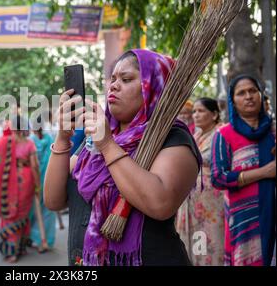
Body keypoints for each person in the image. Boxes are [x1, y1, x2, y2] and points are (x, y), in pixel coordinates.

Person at [44, 49, 201, 266]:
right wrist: (62, 137)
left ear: (154, 87)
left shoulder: (172, 137)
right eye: (113, 79)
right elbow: (53, 200)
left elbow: (160, 203)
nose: (114, 86)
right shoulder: (98, 138)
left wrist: (108, 145)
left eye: (126, 79)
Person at [211, 74, 276, 266]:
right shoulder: (224, 135)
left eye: (253, 91)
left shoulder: (274, 131)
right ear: (232, 101)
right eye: (241, 93)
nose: (248, 96)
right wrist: (264, 172)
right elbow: (218, 177)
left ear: (261, 95)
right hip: (245, 220)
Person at [176, 97, 224, 265]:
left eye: (201, 111)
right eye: (194, 111)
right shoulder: (195, 135)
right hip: (192, 199)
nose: (196, 115)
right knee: (196, 240)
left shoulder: (220, 134)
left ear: (214, 114)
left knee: (211, 238)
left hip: (212, 200)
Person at [0, 116, 41, 263]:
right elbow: (34, 166)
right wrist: (38, 185)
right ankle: (20, 248)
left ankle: (11, 251)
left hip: (8, 181)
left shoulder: (3, 142)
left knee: (10, 214)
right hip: (26, 180)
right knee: (22, 214)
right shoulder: (29, 143)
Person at [30, 125, 56, 251]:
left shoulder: (30, 140)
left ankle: (36, 238)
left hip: (34, 181)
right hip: (49, 179)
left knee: (34, 210)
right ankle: (47, 240)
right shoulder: (50, 139)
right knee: (48, 211)